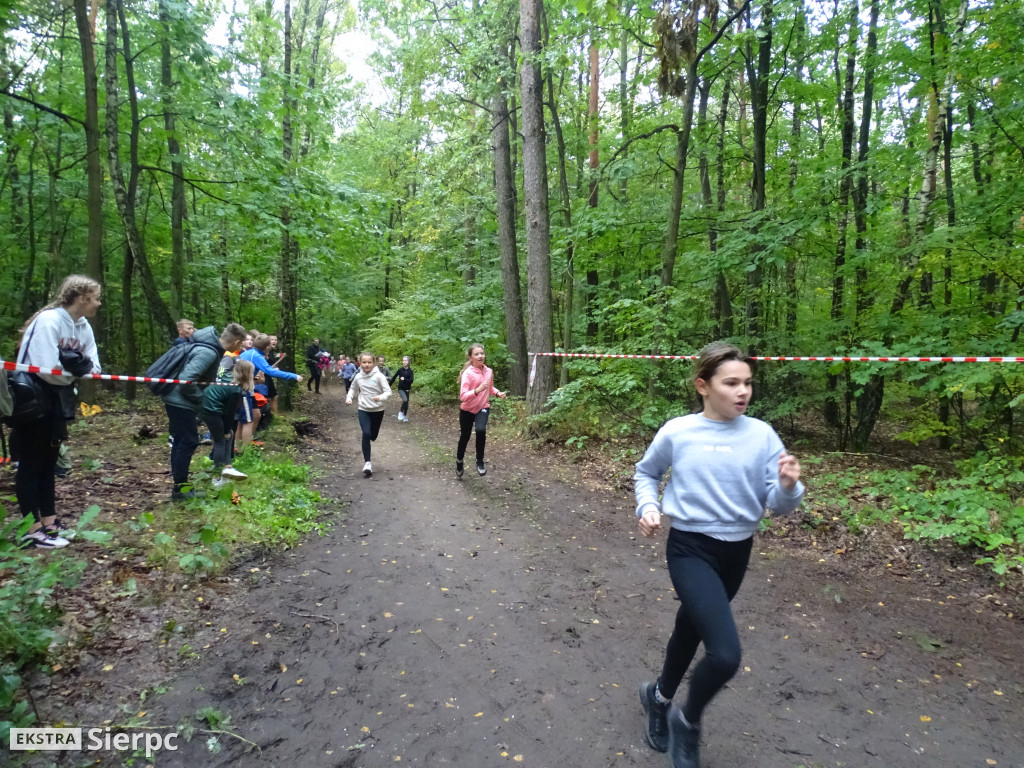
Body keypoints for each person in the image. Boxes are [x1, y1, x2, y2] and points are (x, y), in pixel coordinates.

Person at [633, 342, 804, 768]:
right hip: (689, 547)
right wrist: (648, 506)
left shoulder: (762, 435)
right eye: (731, 383)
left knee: (690, 628)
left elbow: (780, 506)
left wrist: (786, 486)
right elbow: (646, 472)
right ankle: (687, 723)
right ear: (703, 386)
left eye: (747, 383)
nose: (742, 391)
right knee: (725, 654)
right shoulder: (678, 431)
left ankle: (658, 698)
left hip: (737, 551)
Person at [11, 275, 102, 548]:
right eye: (96, 298)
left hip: (58, 400)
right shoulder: (49, 321)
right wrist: (73, 372)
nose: (98, 304)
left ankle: (49, 522)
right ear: (81, 297)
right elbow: (45, 366)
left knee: (50, 462)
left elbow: (93, 368)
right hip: (31, 398)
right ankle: (30, 528)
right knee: (31, 463)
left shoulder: (83, 326)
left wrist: (75, 372)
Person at [162, 323, 247, 501]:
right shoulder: (208, 352)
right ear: (237, 342)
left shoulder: (209, 349)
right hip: (180, 401)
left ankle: (180, 488)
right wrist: (200, 398)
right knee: (188, 440)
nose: (240, 348)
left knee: (182, 440)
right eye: (240, 345)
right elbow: (186, 380)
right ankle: (180, 490)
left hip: (178, 399)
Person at [240, 334, 302, 449]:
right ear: (267, 347)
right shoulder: (256, 356)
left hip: (247, 387)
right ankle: (243, 448)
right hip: (242, 390)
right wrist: (294, 376)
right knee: (246, 420)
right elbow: (271, 372)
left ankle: (246, 442)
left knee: (256, 414)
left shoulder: (252, 354)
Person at [456, 344, 505, 478]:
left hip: (483, 407)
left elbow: (489, 387)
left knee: (481, 430)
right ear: (470, 357)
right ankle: (459, 461)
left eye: (482, 353)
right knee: (465, 437)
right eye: (477, 354)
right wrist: (477, 390)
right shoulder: (468, 373)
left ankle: (479, 461)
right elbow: (463, 397)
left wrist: (497, 393)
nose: (480, 356)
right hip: (467, 410)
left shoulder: (488, 371)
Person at [202, 358, 254, 484]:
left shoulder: (226, 377)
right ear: (247, 374)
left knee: (229, 434)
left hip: (208, 405)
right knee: (221, 439)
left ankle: (227, 467)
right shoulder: (235, 389)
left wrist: (227, 430)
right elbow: (229, 413)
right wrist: (225, 430)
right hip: (209, 409)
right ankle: (217, 476)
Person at [344, 352, 391, 478]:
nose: (366, 365)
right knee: (366, 433)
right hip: (363, 409)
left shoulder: (379, 376)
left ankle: (369, 440)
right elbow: (353, 388)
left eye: (369, 362)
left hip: (378, 410)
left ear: (373, 363)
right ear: (360, 363)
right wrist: (349, 397)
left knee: (373, 436)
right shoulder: (358, 377)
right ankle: (367, 463)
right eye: (364, 362)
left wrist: (380, 397)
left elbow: (388, 392)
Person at [390, 356, 414, 422]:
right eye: (403, 360)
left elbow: (411, 380)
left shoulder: (410, 371)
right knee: (405, 400)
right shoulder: (400, 370)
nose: (404, 362)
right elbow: (394, 377)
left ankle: (405, 416)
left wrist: (404, 379)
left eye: (405, 361)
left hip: (407, 389)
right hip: (401, 388)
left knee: (406, 403)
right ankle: (401, 412)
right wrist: (389, 385)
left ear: (408, 362)